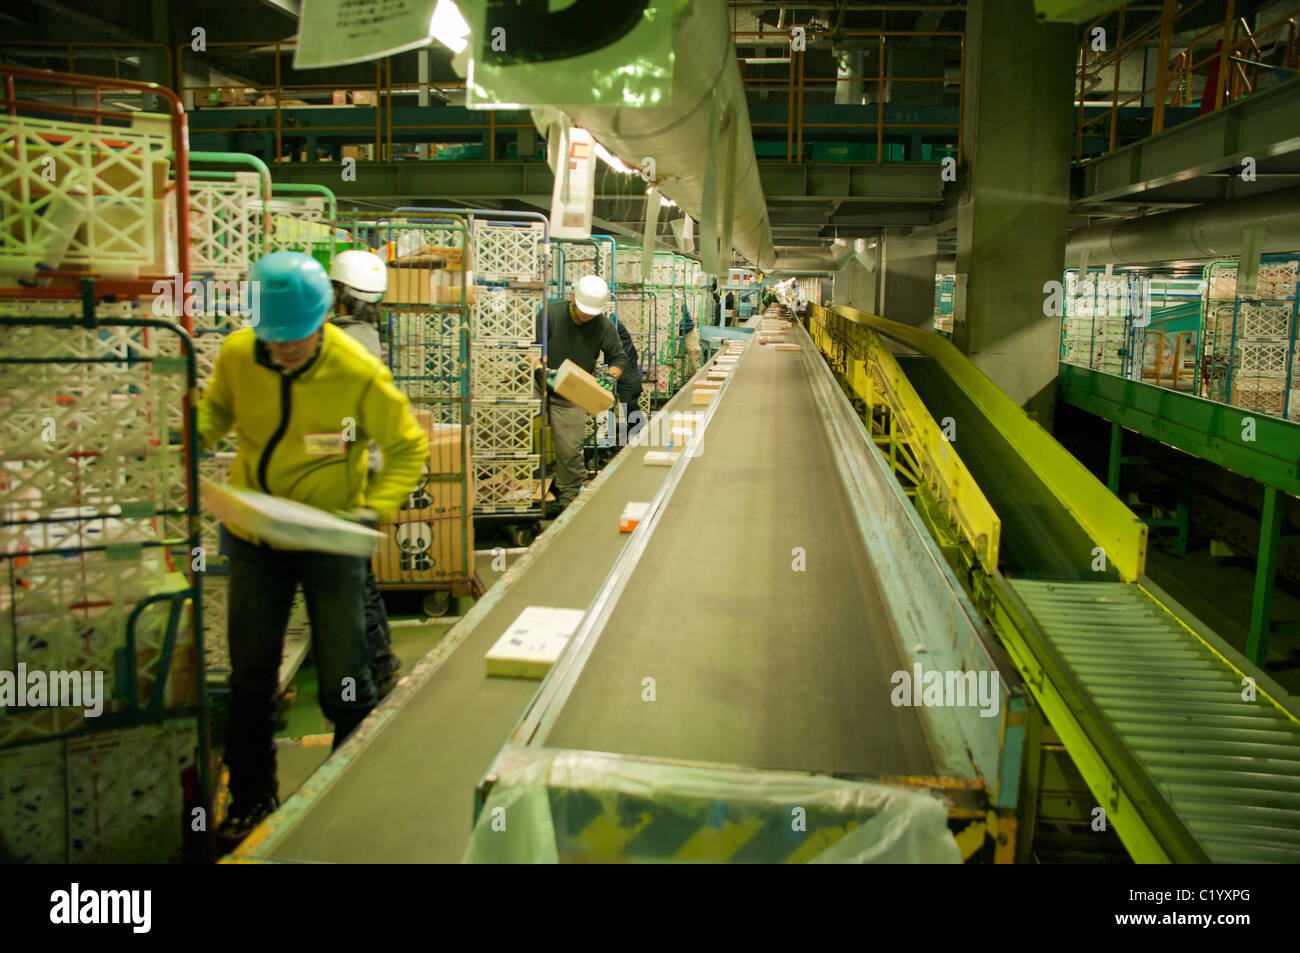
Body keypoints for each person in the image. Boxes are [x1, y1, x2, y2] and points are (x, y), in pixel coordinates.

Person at [200, 251, 427, 850]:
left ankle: (349, 795)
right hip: (256, 537)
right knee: (250, 676)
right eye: (276, 341)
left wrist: (370, 509)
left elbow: (406, 448)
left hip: (330, 540)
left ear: (323, 319)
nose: (288, 350)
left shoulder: (355, 368)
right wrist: (183, 439)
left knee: (346, 677)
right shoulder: (238, 355)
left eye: (299, 339)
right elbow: (215, 415)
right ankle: (251, 801)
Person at [329, 249, 401, 701]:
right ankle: (380, 660)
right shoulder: (367, 338)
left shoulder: (342, 346)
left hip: (347, 480)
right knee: (358, 576)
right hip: (364, 476)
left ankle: (375, 668)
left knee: (350, 580)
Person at [534, 274, 631, 518]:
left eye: (591, 312)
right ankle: (519, 491)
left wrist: (611, 375)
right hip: (538, 384)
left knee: (570, 449)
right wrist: (540, 371)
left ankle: (568, 501)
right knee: (512, 434)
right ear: (572, 299)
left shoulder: (602, 325)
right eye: (581, 310)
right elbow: (530, 350)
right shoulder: (550, 315)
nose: (585, 316)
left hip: (571, 393)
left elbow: (619, 357)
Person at [679, 302, 701, 376]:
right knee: (693, 356)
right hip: (687, 333)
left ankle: (697, 380)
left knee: (693, 356)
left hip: (689, 333)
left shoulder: (678, 301)